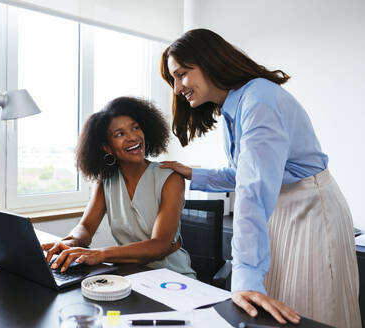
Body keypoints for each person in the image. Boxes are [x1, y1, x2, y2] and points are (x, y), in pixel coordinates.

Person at [159, 28, 360, 327]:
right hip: (281, 212)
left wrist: (245, 280)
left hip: (310, 214)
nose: (177, 88)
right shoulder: (233, 107)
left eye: (182, 74)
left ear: (210, 61)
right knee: (276, 308)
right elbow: (246, 175)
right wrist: (192, 173)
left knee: (310, 312)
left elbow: (252, 191)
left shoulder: (259, 102)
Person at [42, 96, 196, 279]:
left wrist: (101, 254)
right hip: (129, 276)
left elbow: (160, 245)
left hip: (172, 276)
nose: (132, 137)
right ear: (108, 148)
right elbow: (85, 227)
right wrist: (70, 241)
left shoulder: (171, 178)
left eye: (135, 127)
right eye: (120, 134)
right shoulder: (106, 181)